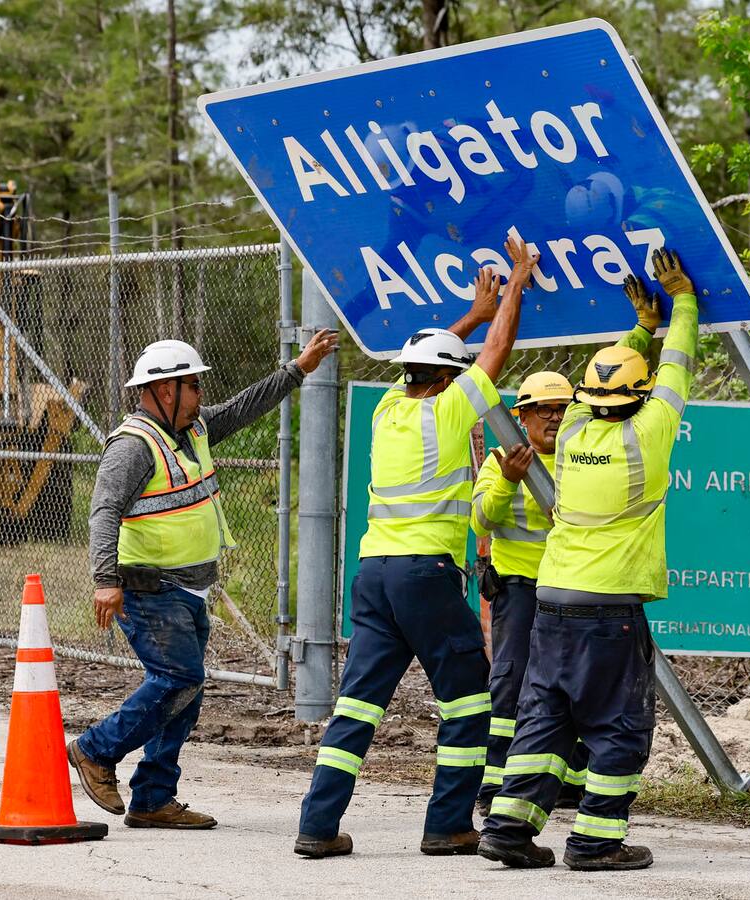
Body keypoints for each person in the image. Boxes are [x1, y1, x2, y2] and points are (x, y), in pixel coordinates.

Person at [294, 236, 538, 860]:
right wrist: (513, 284)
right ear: (450, 379)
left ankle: (317, 826)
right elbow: (497, 353)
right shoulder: (452, 411)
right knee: (468, 699)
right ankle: (448, 823)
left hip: (373, 575)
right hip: (425, 576)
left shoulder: (388, 412)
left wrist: (469, 318)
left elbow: (433, 362)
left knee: (356, 705)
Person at [478, 248, 697, 872]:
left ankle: (508, 829)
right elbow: (678, 366)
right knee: (620, 725)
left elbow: (601, 383)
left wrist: (638, 329)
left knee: (544, 718)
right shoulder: (649, 433)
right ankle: (597, 842)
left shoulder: (571, 428)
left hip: (552, 603)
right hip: (610, 610)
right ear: (640, 396)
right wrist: (680, 305)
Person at [68, 329, 340, 829]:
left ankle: (152, 799)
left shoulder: (192, 430)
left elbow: (242, 407)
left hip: (190, 589)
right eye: (193, 386)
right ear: (166, 390)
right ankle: (94, 749)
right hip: (151, 589)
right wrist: (104, 580)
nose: (200, 396)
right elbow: (103, 512)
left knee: (185, 694)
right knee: (180, 679)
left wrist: (298, 368)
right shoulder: (133, 447)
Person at [470, 371, 589, 817]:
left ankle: (569, 785)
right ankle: (493, 787)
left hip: (572, 588)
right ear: (522, 416)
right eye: (545, 409)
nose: (555, 417)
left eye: (563, 408)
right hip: (519, 588)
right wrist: (507, 480)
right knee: (510, 684)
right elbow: (480, 522)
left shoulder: (583, 458)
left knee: (577, 684)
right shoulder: (500, 459)